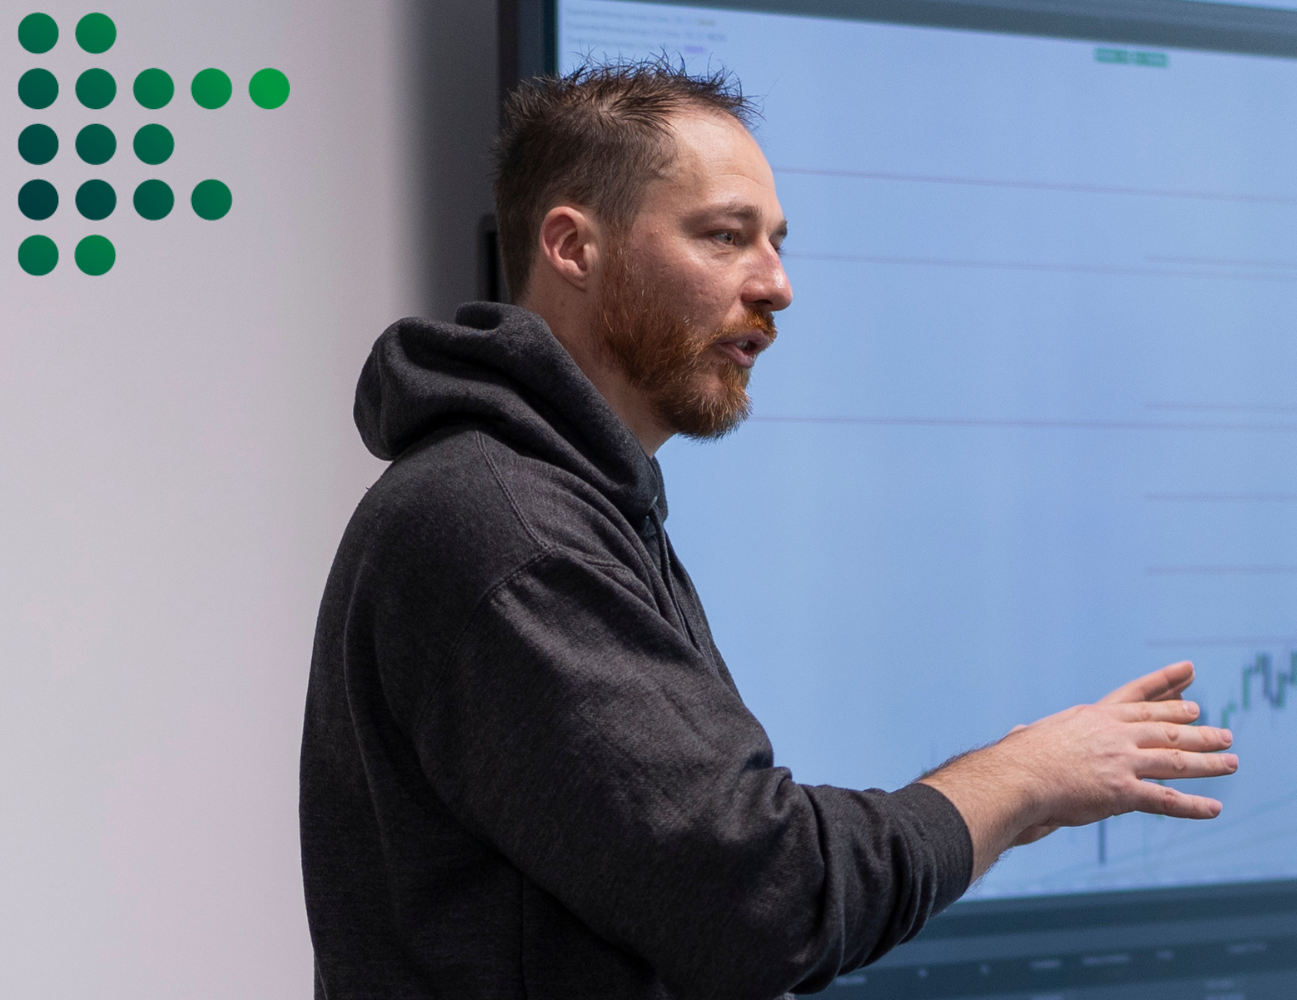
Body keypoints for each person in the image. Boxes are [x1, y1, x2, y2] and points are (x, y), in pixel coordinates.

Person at [301, 61, 1238, 1000]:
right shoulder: (510, 529)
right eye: (724, 237)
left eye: (778, 244)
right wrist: (1021, 778)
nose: (778, 286)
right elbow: (769, 898)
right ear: (572, 248)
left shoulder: (573, 498)